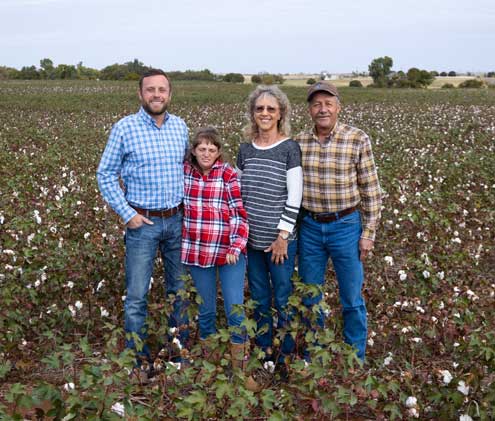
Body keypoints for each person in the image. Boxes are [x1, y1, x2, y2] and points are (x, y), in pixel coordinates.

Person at [97, 69, 189, 382]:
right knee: (137, 295)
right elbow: (105, 173)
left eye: (162, 89)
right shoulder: (125, 128)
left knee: (179, 291)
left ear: (170, 94)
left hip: (177, 220)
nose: (156, 95)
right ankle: (138, 360)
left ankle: (177, 355)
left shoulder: (180, 127)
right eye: (150, 90)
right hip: (142, 223)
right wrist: (127, 213)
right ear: (140, 94)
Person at [295, 81, 382, 361]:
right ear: (309, 109)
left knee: (352, 297)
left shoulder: (357, 139)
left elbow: (371, 189)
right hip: (309, 226)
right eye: (317, 104)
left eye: (328, 103)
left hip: (346, 226)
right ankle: (313, 354)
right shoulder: (298, 142)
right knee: (310, 295)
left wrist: (368, 233)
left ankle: (355, 356)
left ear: (338, 107)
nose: (323, 109)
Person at [236, 85, 303, 371]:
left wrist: (282, 237)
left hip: (280, 242)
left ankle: (285, 354)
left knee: (284, 296)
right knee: (260, 297)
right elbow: (238, 193)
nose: (265, 113)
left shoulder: (289, 148)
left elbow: (295, 196)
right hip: (252, 242)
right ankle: (265, 350)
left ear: (280, 114)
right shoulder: (245, 149)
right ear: (253, 113)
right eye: (259, 108)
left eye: (271, 109)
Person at [181, 127, 249, 365]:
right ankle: (210, 363)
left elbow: (239, 213)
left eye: (212, 149)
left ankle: (241, 367)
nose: (207, 153)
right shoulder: (185, 172)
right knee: (206, 309)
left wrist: (236, 246)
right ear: (193, 151)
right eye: (202, 149)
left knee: (235, 309)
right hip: (198, 251)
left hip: (229, 252)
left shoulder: (228, 174)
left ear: (219, 152)